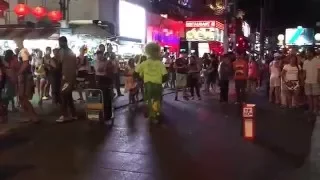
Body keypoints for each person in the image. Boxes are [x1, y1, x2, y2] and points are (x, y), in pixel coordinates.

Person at [135, 42, 168, 124]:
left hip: (147, 84)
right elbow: (165, 76)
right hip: (157, 84)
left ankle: (150, 113)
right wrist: (160, 80)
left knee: (148, 100)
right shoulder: (160, 63)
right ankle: (155, 115)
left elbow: (135, 73)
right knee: (156, 100)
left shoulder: (144, 63)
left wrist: (142, 77)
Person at [56, 36, 77, 123]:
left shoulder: (62, 51)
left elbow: (59, 63)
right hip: (71, 77)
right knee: (68, 95)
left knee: (63, 95)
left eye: (60, 42)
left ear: (63, 42)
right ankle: (73, 114)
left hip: (66, 77)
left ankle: (64, 115)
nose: (59, 44)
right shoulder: (71, 51)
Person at [18, 48, 38, 123]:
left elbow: (25, 63)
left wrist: (18, 73)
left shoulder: (23, 51)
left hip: (25, 80)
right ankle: (31, 116)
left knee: (24, 99)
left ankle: (33, 116)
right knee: (23, 99)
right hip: (25, 79)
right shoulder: (23, 51)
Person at [94, 50, 114, 121]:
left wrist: (104, 66)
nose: (99, 56)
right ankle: (101, 114)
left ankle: (107, 114)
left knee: (106, 98)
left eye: (101, 54)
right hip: (99, 79)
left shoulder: (107, 61)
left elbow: (109, 69)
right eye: (98, 54)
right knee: (100, 97)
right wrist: (104, 66)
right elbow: (99, 69)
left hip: (106, 79)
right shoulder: (96, 61)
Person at [303, 48, 320, 114]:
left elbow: (319, 71)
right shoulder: (305, 62)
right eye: (307, 52)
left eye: (308, 52)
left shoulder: (317, 60)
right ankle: (310, 109)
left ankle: (315, 109)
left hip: (315, 81)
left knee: (315, 96)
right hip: (307, 81)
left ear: (312, 53)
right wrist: (303, 80)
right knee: (309, 96)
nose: (307, 54)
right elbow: (304, 72)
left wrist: (318, 79)